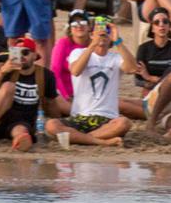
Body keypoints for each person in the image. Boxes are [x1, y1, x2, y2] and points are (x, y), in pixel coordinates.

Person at [45, 18, 135, 147]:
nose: (102, 33)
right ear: (91, 34)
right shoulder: (78, 53)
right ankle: (100, 141)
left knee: (124, 123)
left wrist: (118, 40)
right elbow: (75, 71)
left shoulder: (115, 58)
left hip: (106, 119)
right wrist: (93, 45)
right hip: (80, 117)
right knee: (51, 125)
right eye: (97, 30)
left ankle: (83, 139)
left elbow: (132, 68)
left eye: (106, 31)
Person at [0, 37, 62, 151]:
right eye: (17, 52)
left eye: (25, 52)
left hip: (23, 120)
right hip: (0, 117)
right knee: (8, 86)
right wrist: (2, 71)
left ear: (34, 56)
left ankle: (20, 141)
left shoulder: (45, 75)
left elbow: (50, 103)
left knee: (21, 132)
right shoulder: (7, 70)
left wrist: (58, 120)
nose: (22, 57)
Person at [132, 8, 171, 95]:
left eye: (165, 21)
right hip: (150, 90)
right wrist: (155, 84)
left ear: (169, 26)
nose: (161, 25)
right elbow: (137, 79)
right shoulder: (143, 49)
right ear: (152, 28)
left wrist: (150, 78)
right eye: (157, 22)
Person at [51, 9, 93, 103]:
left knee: (122, 103)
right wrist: (65, 95)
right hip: (68, 94)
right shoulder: (63, 43)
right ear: (70, 28)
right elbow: (55, 71)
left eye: (82, 21)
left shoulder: (95, 45)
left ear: (89, 26)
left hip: (90, 95)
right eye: (74, 23)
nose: (79, 25)